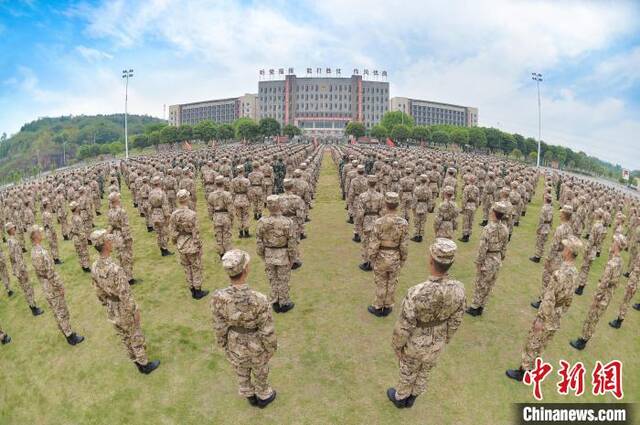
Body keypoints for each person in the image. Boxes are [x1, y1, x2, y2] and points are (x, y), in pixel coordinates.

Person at [387, 238, 465, 408]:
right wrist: (445, 338)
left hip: (416, 342)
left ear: (431, 261)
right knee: (425, 370)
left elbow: (404, 326)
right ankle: (413, 396)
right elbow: (456, 320)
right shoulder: (459, 289)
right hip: (438, 340)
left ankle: (401, 397)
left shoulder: (416, 292)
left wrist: (397, 346)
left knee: (408, 369)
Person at [506, 235, 583, 381]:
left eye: (565, 247)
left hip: (549, 314)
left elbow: (549, 299)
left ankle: (522, 371)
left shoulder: (559, 273)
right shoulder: (574, 272)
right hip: (557, 314)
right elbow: (569, 298)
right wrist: (561, 311)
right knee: (542, 344)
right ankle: (532, 368)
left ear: (569, 251)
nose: (563, 248)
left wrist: (541, 319)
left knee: (533, 341)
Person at [211, 249, 278, 408]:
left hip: (234, 341)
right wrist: (271, 348)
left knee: (241, 369)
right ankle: (263, 394)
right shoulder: (259, 299)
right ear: (245, 269)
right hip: (256, 343)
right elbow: (267, 330)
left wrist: (223, 344)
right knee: (260, 369)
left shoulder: (218, 297)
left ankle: (248, 393)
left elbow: (219, 326)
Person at [89, 229, 160, 374]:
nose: (111, 242)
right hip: (122, 306)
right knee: (134, 333)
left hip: (110, 305)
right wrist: (134, 310)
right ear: (106, 244)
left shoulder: (95, 266)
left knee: (123, 335)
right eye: (109, 240)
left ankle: (135, 361)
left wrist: (106, 302)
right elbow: (125, 294)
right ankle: (144, 364)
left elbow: (97, 290)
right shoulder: (115, 269)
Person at [29, 225, 84, 345]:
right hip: (52, 286)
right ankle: (70, 336)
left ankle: (66, 331)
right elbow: (51, 273)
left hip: (45, 286)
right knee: (61, 310)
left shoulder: (33, 251)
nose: (41, 234)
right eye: (40, 232)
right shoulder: (42, 252)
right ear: (36, 236)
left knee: (56, 311)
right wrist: (60, 286)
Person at [570, 234, 626, 350]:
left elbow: (604, 283)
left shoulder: (612, 264)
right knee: (595, 318)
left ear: (617, 245)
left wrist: (596, 298)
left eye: (614, 242)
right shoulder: (620, 261)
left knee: (591, 318)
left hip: (602, 296)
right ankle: (584, 339)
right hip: (608, 295)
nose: (612, 243)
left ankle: (582, 341)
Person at [368, 192, 409, 317]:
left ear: (386, 204)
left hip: (381, 255)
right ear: (397, 205)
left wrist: (372, 257)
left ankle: (378, 306)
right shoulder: (403, 223)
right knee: (392, 282)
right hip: (395, 255)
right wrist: (403, 258)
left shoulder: (379, 222)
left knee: (381, 281)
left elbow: (374, 243)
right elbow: (404, 244)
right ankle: (387, 305)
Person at [466, 202, 510, 316]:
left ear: (494, 213)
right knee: (490, 284)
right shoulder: (505, 228)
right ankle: (481, 306)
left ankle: (475, 307)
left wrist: (479, 262)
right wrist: (501, 257)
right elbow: (505, 246)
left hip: (488, 258)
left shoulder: (488, 228)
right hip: (497, 258)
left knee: (481, 283)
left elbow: (482, 247)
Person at [256, 195, 296, 313]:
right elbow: (292, 243)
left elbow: (259, 241)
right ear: (280, 205)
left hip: (268, 253)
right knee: (283, 279)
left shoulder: (262, 222)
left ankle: (275, 301)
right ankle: (283, 303)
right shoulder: (287, 222)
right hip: (283, 254)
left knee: (272, 279)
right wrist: (292, 257)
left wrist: (262, 255)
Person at [531, 205, 574, 309]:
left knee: (547, 279)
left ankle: (542, 301)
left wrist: (548, 259)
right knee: (555, 280)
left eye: (561, 212)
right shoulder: (570, 229)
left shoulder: (561, 229)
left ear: (564, 215)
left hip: (556, 256)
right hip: (563, 257)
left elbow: (554, 245)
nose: (560, 214)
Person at [170, 189, 209, 300]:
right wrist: (198, 245)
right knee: (196, 267)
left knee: (187, 267)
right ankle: (197, 291)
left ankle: (191, 288)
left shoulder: (174, 214)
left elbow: (172, 231)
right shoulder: (192, 214)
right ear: (187, 198)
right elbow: (195, 232)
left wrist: (176, 242)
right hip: (191, 243)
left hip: (181, 243)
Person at [6, 222, 43, 316]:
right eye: (13, 228)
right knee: (28, 288)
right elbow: (17, 257)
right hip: (21, 269)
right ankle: (34, 308)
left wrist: (15, 269)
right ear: (10, 230)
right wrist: (23, 270)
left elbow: (11, 257)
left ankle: (33, 306)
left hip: (17, 269)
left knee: (26, 288)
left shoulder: (9, 241)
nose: (15, 228)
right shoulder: (13, 242)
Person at [574, 208, 607, 295]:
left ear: (598, 215)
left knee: (584, 268)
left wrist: (586, 250)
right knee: (587, 268)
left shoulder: (596, 226)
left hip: (591, 249)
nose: (594, 214)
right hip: (595, 249)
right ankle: (581, 285)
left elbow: (591, 241)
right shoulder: (602, 226)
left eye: (596, 213)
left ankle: (580, 287)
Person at [355, 175, 384, 271]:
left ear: (367, 183)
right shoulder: (380, 196)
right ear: (376, 184)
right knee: (375, 242)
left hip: (367, 220)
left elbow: (360, 213)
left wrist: (358, 224)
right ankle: (374, 261)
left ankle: (367, 262)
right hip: (377, 220)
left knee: (366, 243)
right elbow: (382, 211)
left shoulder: (363, 196)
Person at [107, 192, 136, 284]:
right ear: (116, 200)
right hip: (122, 235)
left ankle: (122, 276)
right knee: (126, 257)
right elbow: (125, 226)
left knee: (120, 256)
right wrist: (128, 239)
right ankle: (129, 279)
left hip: (115, 235)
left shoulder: (110, 211)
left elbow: (110, 225)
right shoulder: (121, 211)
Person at [610, 251, 639, 329]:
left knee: (626, 301)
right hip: (634, 279)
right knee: (626, 301)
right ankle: (619, 319)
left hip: (634, 281)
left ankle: (619, 322)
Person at [207, 176, 235, 259]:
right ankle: (228, 253)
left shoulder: (211, 195)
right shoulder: (227, 194)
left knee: (218, 236)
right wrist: (231, 217)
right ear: (223, 183)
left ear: (216, 184)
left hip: (216, 216)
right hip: (226, 216)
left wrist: (211, 217)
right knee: (227, 235)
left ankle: (221, 254)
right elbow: (230, 208)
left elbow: (210, 208)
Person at [148, 176, 173, 257]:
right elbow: (165, 206)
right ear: (159, 183)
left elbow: (149, 206)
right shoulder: (162, 193)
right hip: (161, 214)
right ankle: (165, 249)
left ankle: (162, 249)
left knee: (158, 233)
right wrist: (167, 216)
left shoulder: (151, 193)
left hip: (154, 214)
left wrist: (151, 214)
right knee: (164, 232)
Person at [529, 194, 553, 263]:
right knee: (543, 242)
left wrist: (538, 229)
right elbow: (552, 219)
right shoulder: (551, 208)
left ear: (545, 199)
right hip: (547, 227)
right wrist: (550, 226)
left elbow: (541, 220)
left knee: (539, 242)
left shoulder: (544, 208)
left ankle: (537, 257)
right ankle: (540, 255)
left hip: (543, 227)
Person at [69, 201, 91, 273]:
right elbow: (80, 231)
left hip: (75, 238)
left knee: (80, 252)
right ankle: (86, 267)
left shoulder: (72, 217)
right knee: (84, 252)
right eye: (77, 207)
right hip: (79, 238)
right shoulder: (77, 218)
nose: (79, 207)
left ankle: (83, 266)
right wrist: (85, 238)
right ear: (75, 208)